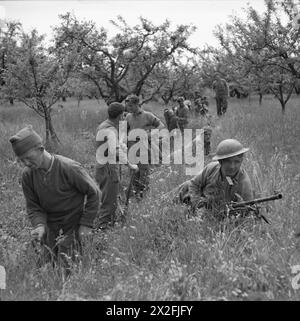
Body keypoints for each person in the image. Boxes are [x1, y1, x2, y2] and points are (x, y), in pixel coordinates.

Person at [9, 125, 100, 272]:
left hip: (73, 225)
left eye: (28, 158)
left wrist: (86, 224)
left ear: (40, 149)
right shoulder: (28, 175)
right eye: (21, 160)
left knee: (67, 268)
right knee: (45, 268)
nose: (26, 164)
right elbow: (33, 206)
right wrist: (39, 225)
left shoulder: (69, 167)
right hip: (50, 228)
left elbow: (94, 193)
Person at [176, 138, 253, 221]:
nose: (232, 166)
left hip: (218, 213)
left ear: (241, 161)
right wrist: (197, 206)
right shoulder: (212, 168)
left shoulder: (243, 183)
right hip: (200, 202)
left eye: (236, 162)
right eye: (228, 162)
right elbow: (194, 184)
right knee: (186, 186)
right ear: (221, 162)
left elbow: (246, 210)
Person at [95, 102, 138, 230]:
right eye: (123, 115)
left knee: (109, 198)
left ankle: (107, 226)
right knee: (109, 202)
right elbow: (115, 152)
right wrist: (130, 165)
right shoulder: (110, 129)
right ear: (120, 116)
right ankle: (103, 231)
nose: (124, 118)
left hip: (102, 168)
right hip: (108, 170)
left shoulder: (104, 125)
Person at [125, 94, 164, 199]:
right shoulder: (128, 116)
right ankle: (134, 193)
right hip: (132, 148)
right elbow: (124, 130)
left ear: (137, 104)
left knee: (144, 172)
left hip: (144, 149)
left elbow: (161, 126)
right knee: (133, 172)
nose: (129, 108)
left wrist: (150, 135)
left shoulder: (148, 115)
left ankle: (144, 195)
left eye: (131, 106)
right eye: (128, 106)